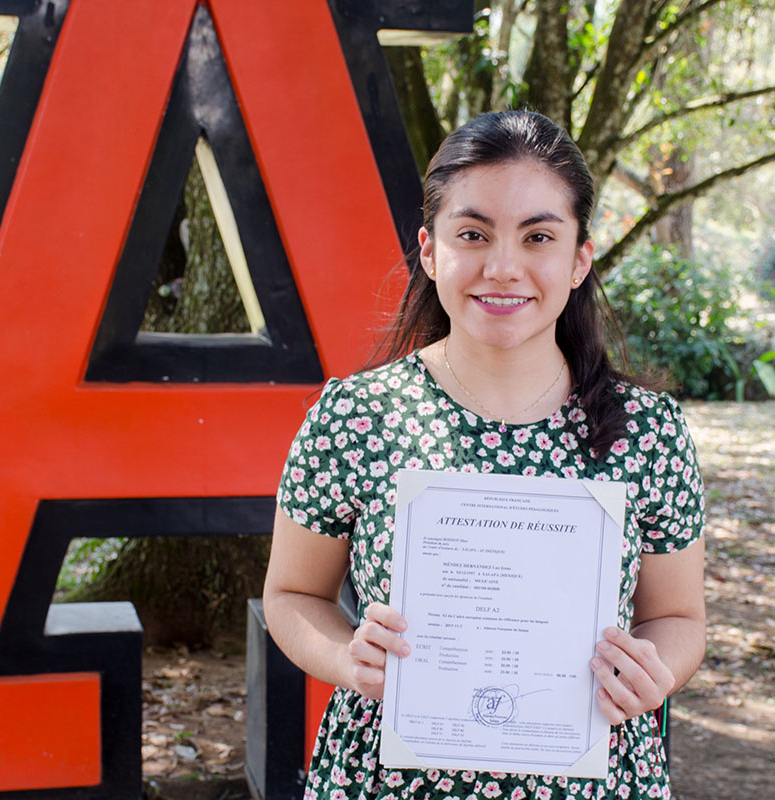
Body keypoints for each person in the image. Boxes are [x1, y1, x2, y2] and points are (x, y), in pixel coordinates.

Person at [263, 111, 706, 800]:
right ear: (431, 251)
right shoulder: (356, 417)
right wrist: (347, 659)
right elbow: (292, 596)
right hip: (386, 781)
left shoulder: (647, 430)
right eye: (473, 234)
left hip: (590, 779)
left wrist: (656, 672)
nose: (503, 267)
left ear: (580, 258)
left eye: (538, 236)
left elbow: (677, 617)